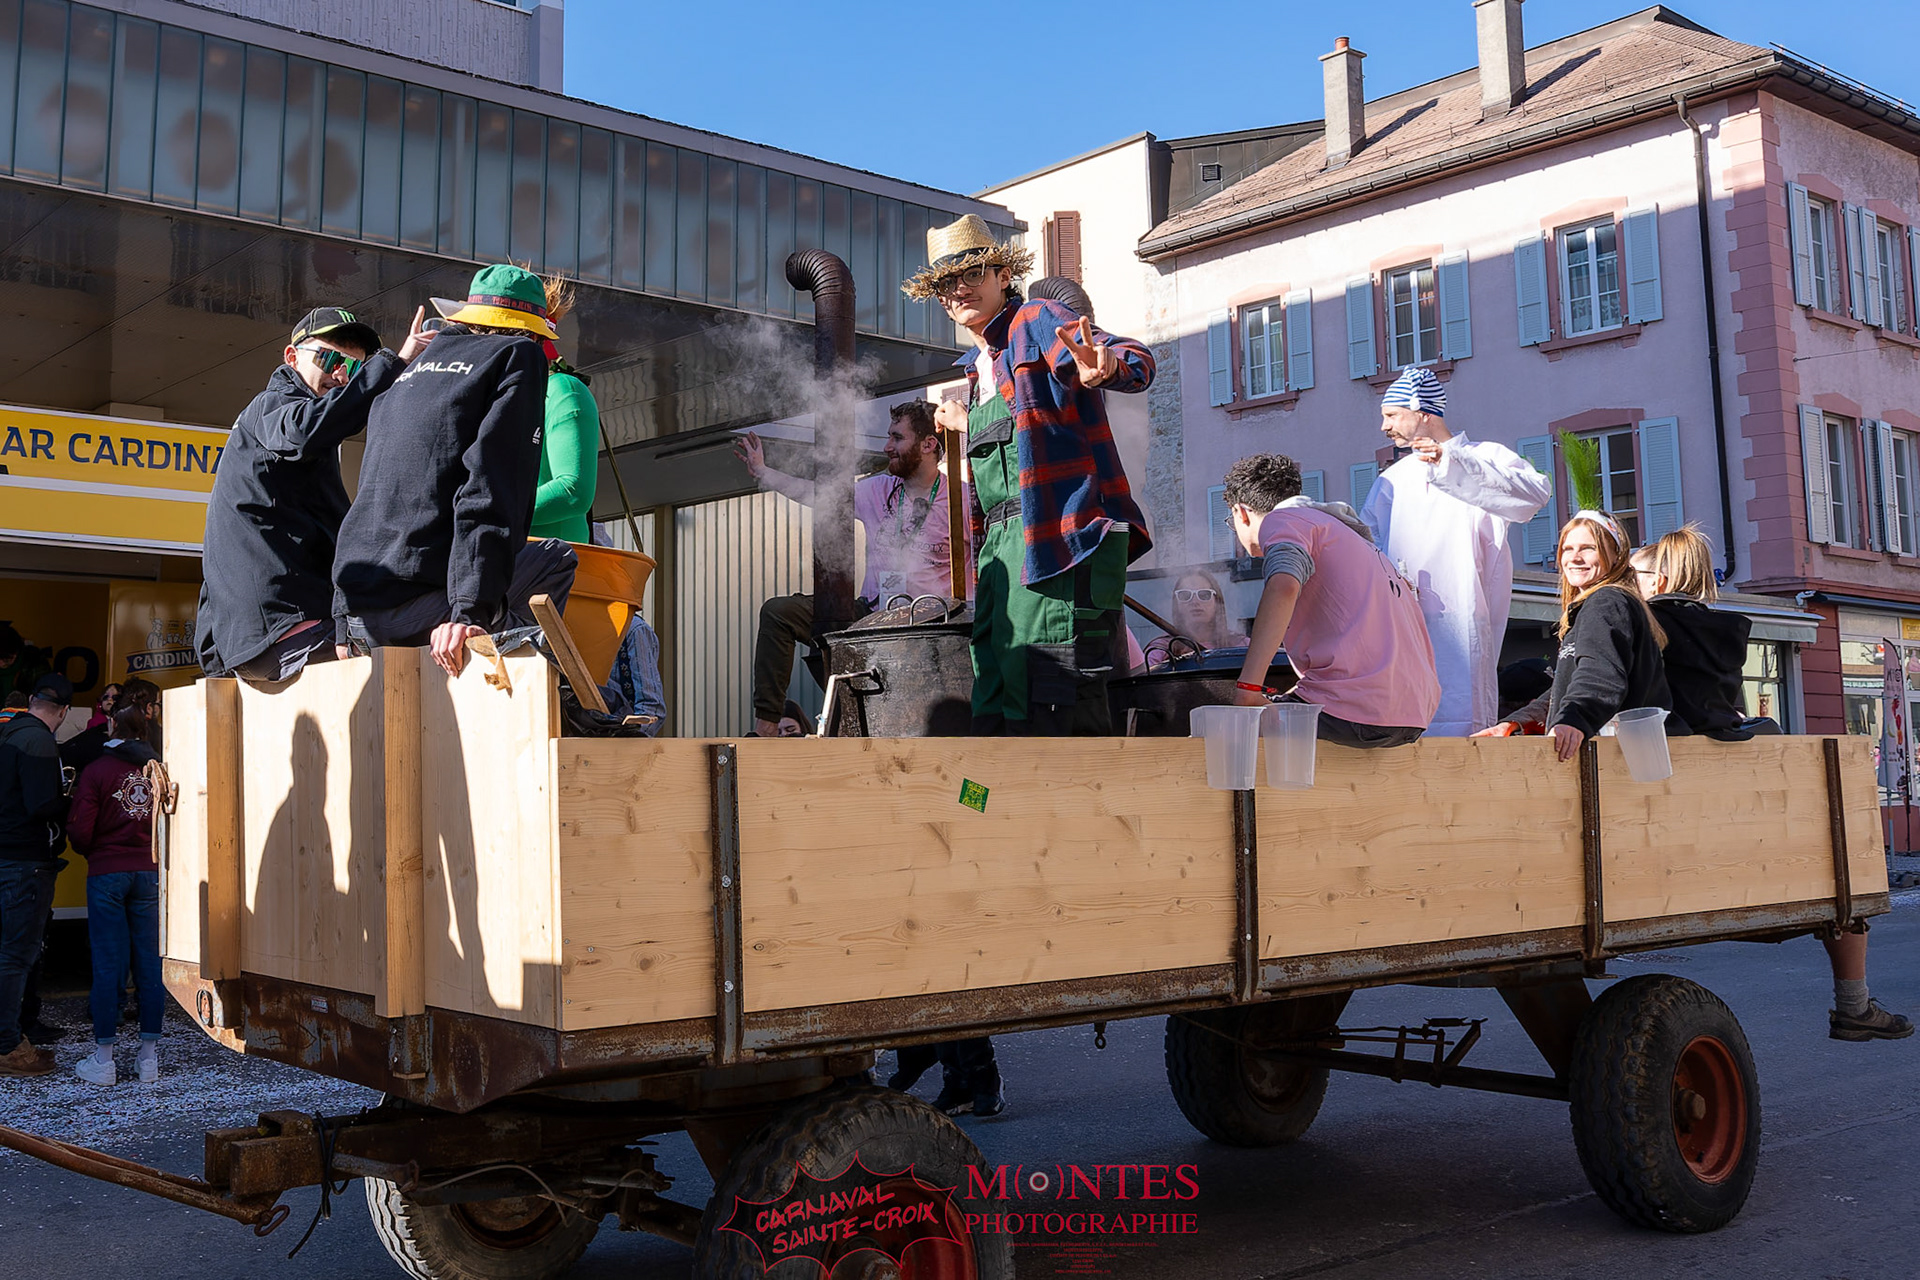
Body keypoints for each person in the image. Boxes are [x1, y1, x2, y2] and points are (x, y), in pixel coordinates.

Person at [1639, 526, 1911, 1042]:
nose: (1631, 583)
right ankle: (1853, 1003)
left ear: (1662, 578)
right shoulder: (1724, 629)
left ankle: (1856, 1005)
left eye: (1638, 575)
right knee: (1840, 867)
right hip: (1723, 773)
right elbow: (1715, 704)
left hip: (1665, 778)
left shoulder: (1644, 623)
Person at [909, 214, 1152, 738]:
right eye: (947, 284)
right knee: (995, 702)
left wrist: (1105, 365)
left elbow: (1134, 357)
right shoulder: (975, 371)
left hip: (1059, 541)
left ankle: (1069, 795)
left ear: (1003, 276)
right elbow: (1013, 441)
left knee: (1054, 705)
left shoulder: (1036, 319)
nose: (960, 290)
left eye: (973, 274)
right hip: (1000, 554)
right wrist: (968, 423)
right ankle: (986, 794)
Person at [335, 265, 577, 679]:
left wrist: (342, 618)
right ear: (531, 333)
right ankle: (528, 691)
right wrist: (469, 612)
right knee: (556, 557)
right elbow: (490, 489)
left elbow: (372, 497)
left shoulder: (412, 370)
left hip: (357, 614)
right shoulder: (517, 355)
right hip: (419, 612)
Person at [197, 306, 438, 682]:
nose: (341, 374)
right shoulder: (272, 408)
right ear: (291, 357)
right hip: (287, 632)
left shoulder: (296, 447)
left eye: (354, 367)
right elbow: (306, 429)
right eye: (329, 359)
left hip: (267, 639)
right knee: (439, 625)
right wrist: (395, 363)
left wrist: (217, 662)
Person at [735, 400, 963, 738]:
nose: (887, 447)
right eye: (888, 436)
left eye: (897, 438)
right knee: (779, 612)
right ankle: (767, 726)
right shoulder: (879, 489)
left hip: (927, 624)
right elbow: (820, 495)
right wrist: (764, 472)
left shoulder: (961, 499)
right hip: (870, 615)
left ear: (929, 444)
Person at [1361, 367, 1551, 737]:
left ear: (1423, 413)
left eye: (1392, 415)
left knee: (1461, 719)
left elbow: (1533, 495)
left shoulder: (1485, 456)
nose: (1384, 426)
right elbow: (1372, 548)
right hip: (1405, 625)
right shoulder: (1392, 480)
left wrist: (1450, 462)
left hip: (1465, 618)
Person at [1223, 454, 1440, 746]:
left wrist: (1249, 688)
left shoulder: (1283, 520)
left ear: (1241, 512)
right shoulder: (1350, 538)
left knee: (1230, 735)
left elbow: (1283, 587)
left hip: (1354, 711)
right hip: (1413, 716)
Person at [1476, 512, 1683, 760]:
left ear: (1616, 555)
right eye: (1567, 549)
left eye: (1588, 548)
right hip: (1626, 760)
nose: (1574, 557)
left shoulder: (1606, 602)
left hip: (1615, 764)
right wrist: (1516, 722)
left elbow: (1600, 676)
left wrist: (1575, 719)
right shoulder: (1605, 603)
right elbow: (1566, 689)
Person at [451, 273, 598, 544]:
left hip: (549, 562)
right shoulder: (487, 393)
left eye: (483, 329)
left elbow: (573, 491)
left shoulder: (563, 390)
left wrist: (482, 513)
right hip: (490, 553)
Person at [66, 704, 167, 1084]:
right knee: (150, 962)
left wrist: (93, 852)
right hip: (149, 870)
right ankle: (149, 1058)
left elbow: (80, 829)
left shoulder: (97, 770)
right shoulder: (157, 769)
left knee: (109, 962)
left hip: (107, 871)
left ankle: (104, 1059)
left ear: (111, 725)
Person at [0, 674, 73, 1077]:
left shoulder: (9, 733)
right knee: (15, 955)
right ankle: (8, 1047)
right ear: (63, 711)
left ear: (31, 700)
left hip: (7, 855)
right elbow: (42, 804)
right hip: (25, 860)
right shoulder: (40, 741)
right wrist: (69, 800)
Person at [1160, 568, 1248, 653]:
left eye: (1204, 595)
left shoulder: (1242, 645)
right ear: (1177, 605)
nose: (1195, 601)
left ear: (1217, 602)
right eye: (1185, 595)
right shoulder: (1162, 649)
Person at [0, 626, 50, 707]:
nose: (1, 664)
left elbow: (44, 701)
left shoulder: (34, 664)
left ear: (17, 652)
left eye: (6, 659)